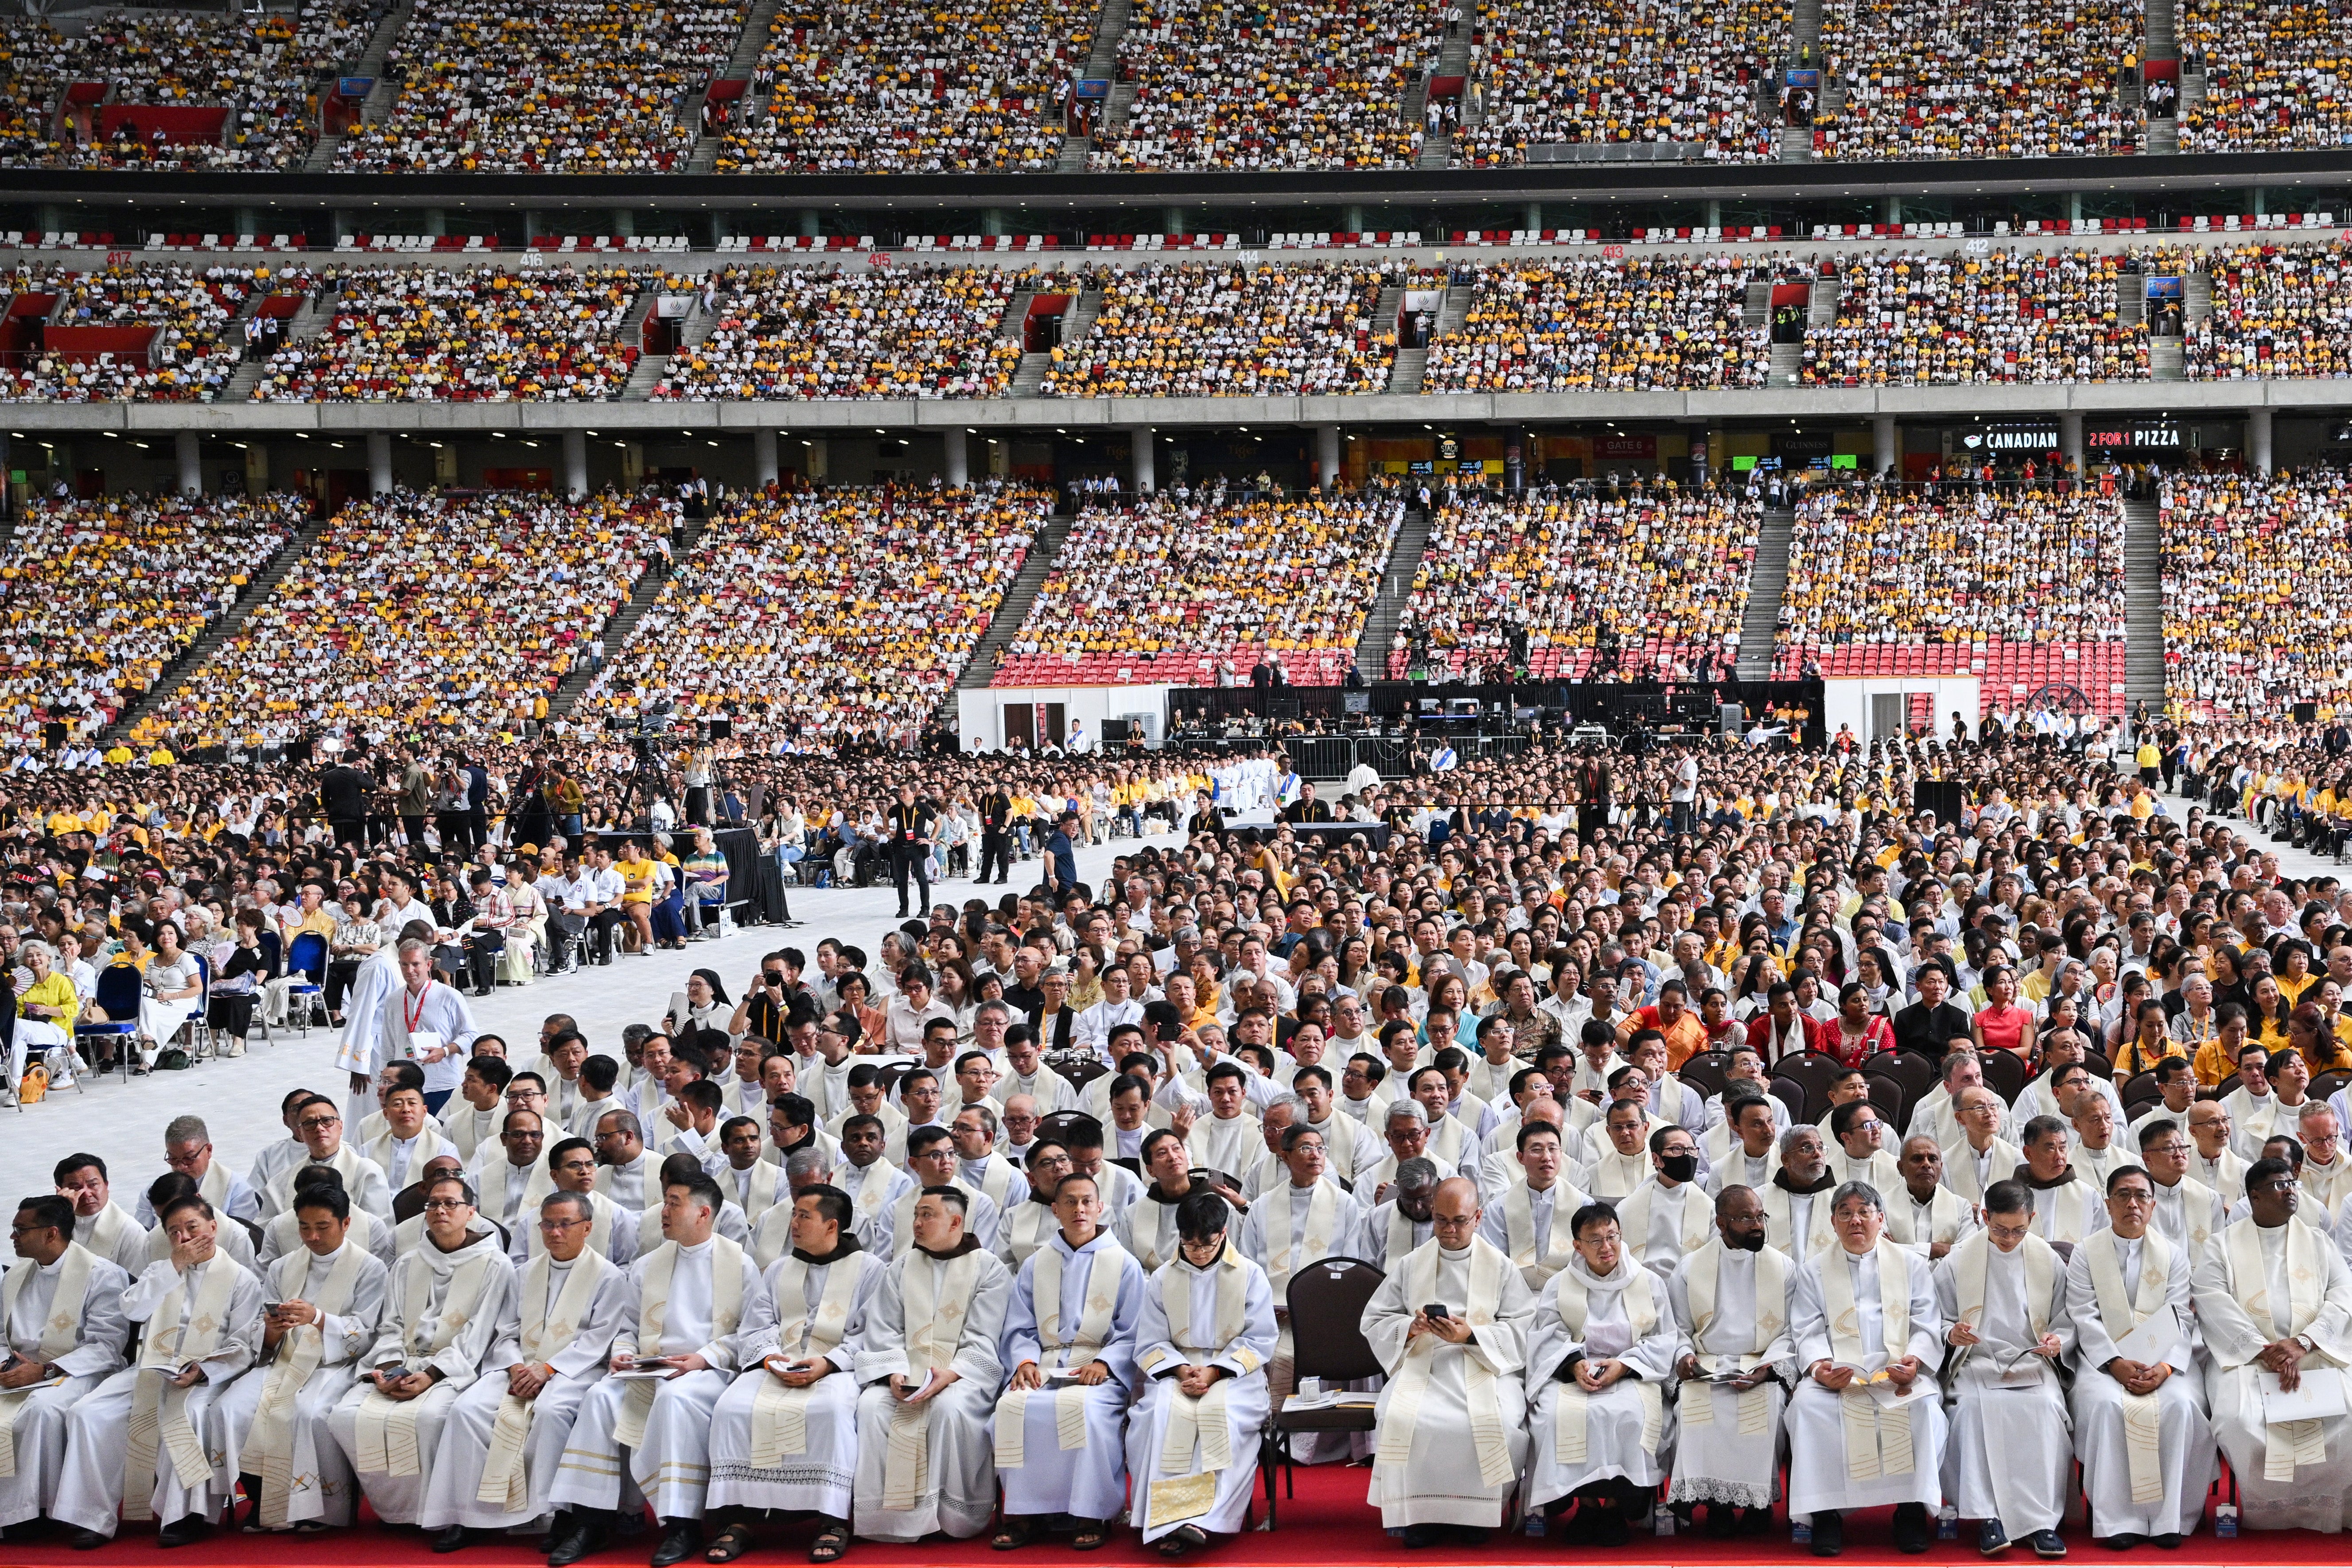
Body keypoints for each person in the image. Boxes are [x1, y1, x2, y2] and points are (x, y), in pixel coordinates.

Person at [545, 1171, 765, 1568]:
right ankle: (590, 1522)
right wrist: (624, 1353)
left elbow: (752, 1333)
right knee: (598, 1397)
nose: (663, 1211)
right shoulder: (649, 1264)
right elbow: (628, 1327)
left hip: (707, 1372)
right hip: (648, 1369)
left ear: (703, 1213)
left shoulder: (741, 1264)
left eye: (674, 1203)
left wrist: (705, 1357)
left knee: (675, 1400)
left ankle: (681, 1525)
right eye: (665, 1201)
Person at [416, 1190, 629, 1552]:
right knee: (467, 1411)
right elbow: (506, 1331)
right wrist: (517, 1366)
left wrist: (548, 1368)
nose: (554, 1232)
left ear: (587, 1227)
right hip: (518, 1367)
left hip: (575, 1372)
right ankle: (470, 1516)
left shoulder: (608, 1277)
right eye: (547, 1224)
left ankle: (549, 1514)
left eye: (565, 1224)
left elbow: (599, 1340)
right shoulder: (525, 1272)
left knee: (551, 1412)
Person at [53, 1193, 264, 1548]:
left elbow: (244, 1345)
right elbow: (134, 1311)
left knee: (191, 1415)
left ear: (213, 1227)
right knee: (87, 1412)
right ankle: (91, 1517)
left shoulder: (241, 1279)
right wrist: (173, 1268)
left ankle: (186, 1515)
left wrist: (202, 1370)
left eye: (191, 1227)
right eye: (173, 1232)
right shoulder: (161, 1270)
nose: (183, 1238)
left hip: (206, 1374)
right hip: (152, 1367)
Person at [704, 1184, 884, 1562]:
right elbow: (756, 1325)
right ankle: (740, 1517)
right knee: (731, 1408)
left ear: (832, 1225)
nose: (794, 1223)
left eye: (805, 1215)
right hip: (777, 1364)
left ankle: (831, 1519)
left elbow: (873, 1331)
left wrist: (828, 1363)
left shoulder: (870, 1270)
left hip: (835, 1368)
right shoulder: (782, 1268)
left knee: (831, 1412)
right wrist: (770, 1360)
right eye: (794, 1214)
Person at [329, 1172, 516, 1530]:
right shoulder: (407, 1264)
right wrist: (388, 1369)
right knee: (345, 1416)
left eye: (451, 1203)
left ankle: (442, 1513)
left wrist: (430, 1375)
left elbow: (479, 1333)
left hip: (456, 1367)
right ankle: (398, 1511)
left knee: (430, 1419)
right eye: (433, 1204)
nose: (440, 1210)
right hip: (403, 1362)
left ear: (471, 1212)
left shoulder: (495, 1265)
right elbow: (391, 1326)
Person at [1360, 1175, 1535, 1547]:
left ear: (1478, 1218)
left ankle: (1474, 1518)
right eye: (1441, 1220)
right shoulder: (1412, 1263)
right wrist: (1411, 1326)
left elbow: (1523, 1328)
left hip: (1483, 1365)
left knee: (1495, 1420)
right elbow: (1374, 1319)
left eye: (1459, 1220)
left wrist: (1471, 1335)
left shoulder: (1500, 1266)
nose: (1449, 1229)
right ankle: (1419, 1517)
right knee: (1403, 1416)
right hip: (1425, 1361)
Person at [2190, 1156, 2352, 1531]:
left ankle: (2329, 1508)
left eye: (2291, 1184)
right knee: (2237, 1419)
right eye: (2279, 1186)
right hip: (2248, 1360)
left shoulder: (2316, 1240)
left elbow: (2343, 1294)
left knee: (2348, 1411)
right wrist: (2264, 1350)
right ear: (2254, 1197)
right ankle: (2270, 1514)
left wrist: (2304, 1342)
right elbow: (2211, 1299)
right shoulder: (2222, 1245)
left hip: (2315, 1353)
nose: (2290, 1191)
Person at [1785, 1180, 1946, 1556]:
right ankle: (1826, 1514)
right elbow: (1805, 1328)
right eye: (1845, 1213)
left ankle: (1909, 1511)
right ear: (1833, 1222)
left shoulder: (1910, 1265)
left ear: (1881, 1218)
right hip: (1839, 1374)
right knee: (1808, 1409)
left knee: (1922, 1408)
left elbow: (1926, 1319)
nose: (1855, 1220)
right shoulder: (1814, 1271)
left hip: (1896, 1371)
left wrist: (1915, 1361)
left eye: (1864, 1212)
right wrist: (1819, 1368)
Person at [219, 1181, 390, 1534]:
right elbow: (259, 1331)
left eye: (322, 1227)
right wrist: (272, 1329)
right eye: (304, 1227)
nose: (312, 1237)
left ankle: (322, 1508)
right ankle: (263, 1500)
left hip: (335, 1364)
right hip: (285, 1359)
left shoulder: (370, 1268)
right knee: (231, 1408)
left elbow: (369, 1333)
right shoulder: (283, 1267)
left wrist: (318, 1318)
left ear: (345, 1224)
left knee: (308, 1414)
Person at [990, 1170, 1145, 1552]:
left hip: (1096, 1369)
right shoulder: (1036, 1264)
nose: (1079, 1209)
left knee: (1087, 1412)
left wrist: (1107, 1364)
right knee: (1012, 1408)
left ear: (1100, 1207)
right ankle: (1025, 1513)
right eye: (1070, 1202)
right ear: (1055, 1209)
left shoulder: (1123, 1264)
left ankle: (1090, 1512)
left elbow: (1134, 1330)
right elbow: (1020, 1324)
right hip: (1044, 1364)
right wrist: (1024, 1362)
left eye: (1087, 1201)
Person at [2063, 1164, 2215, 1549]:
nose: (2132, 1204)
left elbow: (2181, 1314)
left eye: (2141, 1196)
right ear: (2108, 1203)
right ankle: (2117, 1520)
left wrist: (2164, 1368)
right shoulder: (2086, 1253)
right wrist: (2115, 1364)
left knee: (2181, 1406)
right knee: (2103, 1407)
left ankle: (2171, 1518)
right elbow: (2083, 1313)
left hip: (2164, 1361)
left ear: (2152, 1206)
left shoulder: (2173, 1255)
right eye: (2123, 1196)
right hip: (2103, 1363)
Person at [850, 1186, 1012, 1543]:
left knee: (948, 1409)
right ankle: (891, 1518)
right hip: (906, 1374)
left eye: (928, 1215)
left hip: (962, 1377)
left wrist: (949, 1376)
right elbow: (884, 1327)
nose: (918, 1223)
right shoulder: (903, 1266)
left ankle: (949, 1516)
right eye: (916, 1215)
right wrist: (893, 1372)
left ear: (956, 1221)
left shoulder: (989, 1268)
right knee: (872, 1407)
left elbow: (984, 1336)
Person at [1124, 1189, 1277, 1556]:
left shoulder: (1250, 1274)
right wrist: (1180, 1369)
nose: (1198, 1252)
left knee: (1221, 1417)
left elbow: (1261, 1338)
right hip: (1178, 1369)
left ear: (1223, 1233)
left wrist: (1214, 1372)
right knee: (1158, 1415)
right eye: (1189, 1244)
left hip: (1233, 1374)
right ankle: (1165, 1520)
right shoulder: (1162, 1277)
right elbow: (1149, 1340)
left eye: (1206, 1244)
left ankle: (1204, 1519)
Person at [1524, 1201, 1679, 1545]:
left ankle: (1613, 1508)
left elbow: (1664, 1338)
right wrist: (1573, 1363)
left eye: (1612, 1237)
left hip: (1631, 1371)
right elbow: (1547, 1334)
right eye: (1595, 1240)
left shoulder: (1647, 1281)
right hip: (1573, 1373)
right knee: (1552, 1414)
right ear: (1577, 1246)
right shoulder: (1559, 1284)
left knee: (1628, 1416)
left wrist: (1623, 1365)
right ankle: (1587, 1505)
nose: (1606, 1247)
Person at [1936, 1179, 2072, 1558]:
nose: (2009, 1238)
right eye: (1999, 1229)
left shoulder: (2046, 1259)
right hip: (1976, 1362)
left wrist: (2056, 1341)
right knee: (1969, 1412)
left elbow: (2066, 1317)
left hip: (2031, 1360)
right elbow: (1935, 1316)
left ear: (2031, 1218)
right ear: (1984, 1217)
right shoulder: (1958, 1260)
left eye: (2018, 1230)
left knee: (2045, 1410)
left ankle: (2041, 1520)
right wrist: (1951, 1333)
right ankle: (1986, 1517)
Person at [1665, 1186, 1793, 1536]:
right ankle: (1715, 1503)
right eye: (1745, 1218)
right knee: (1693, 1409)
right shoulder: (1690, 1268)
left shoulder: (1782, 1267)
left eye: (1759, 1216)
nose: (1757, 1226)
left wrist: (1767, 1370)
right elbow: (1677, 1327)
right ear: (1721, 1223)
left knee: (1768, 1406)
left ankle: (1758, 1505)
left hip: (1760, 1363)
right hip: (1707, 1365)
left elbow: (1791, 1330)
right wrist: (1684, 1357)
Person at [0, 1195, 130, 1537]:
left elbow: (107, 1346)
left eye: (20, 1229)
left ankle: (36, 1510)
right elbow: (3, 1334)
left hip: (79, 1371)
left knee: (42, 1409)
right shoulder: (14, 1276)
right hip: (19, 1370)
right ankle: (11, 1511)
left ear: (50, 1234)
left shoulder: (104, 1275)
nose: (13, 1237)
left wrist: (46, 1370)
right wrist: (4, 1363)